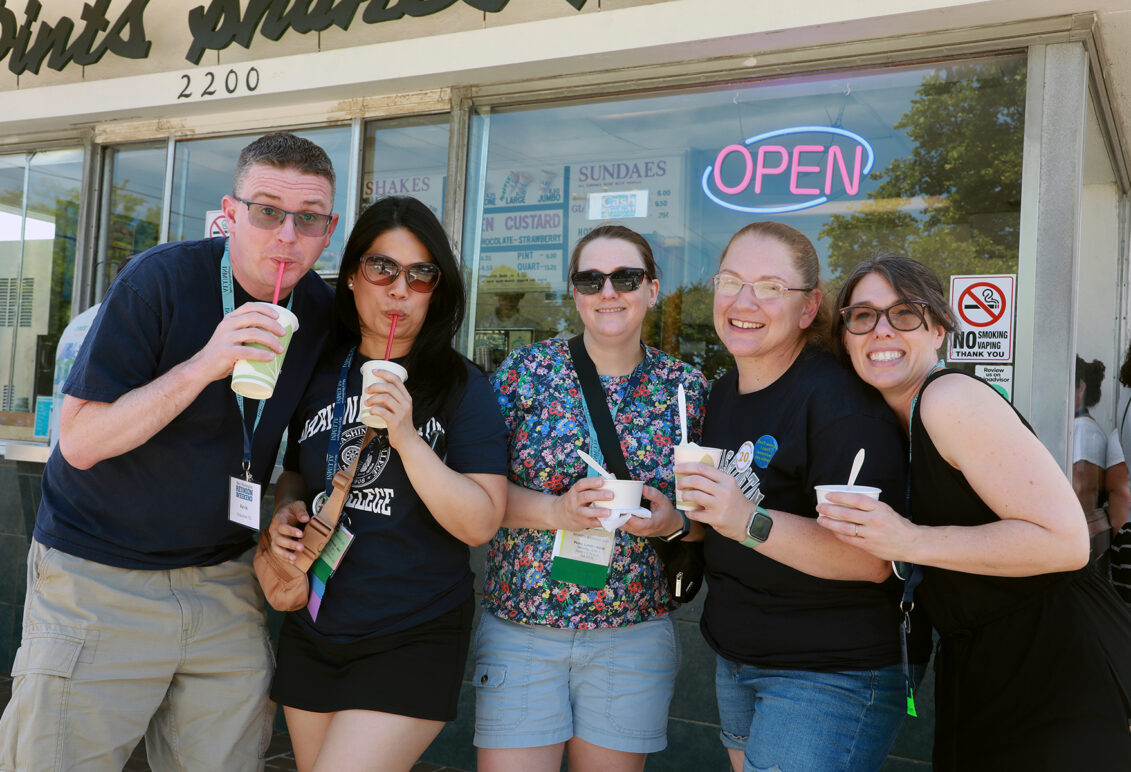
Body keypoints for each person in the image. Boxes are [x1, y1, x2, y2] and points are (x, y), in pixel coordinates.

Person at [0, 132, 339, 770]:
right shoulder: (160, 278)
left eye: (309, 218)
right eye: (267, 210)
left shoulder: (317, 309)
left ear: (330, 229)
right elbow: (79, 441)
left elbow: (301, 449)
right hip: (99, 577)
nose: (287, 235)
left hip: (225, 581)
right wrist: (204, 364)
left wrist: (289, 506)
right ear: (230, 212)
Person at [817, 252, 1131, 769]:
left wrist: (906, 539)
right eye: (863, 316)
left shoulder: (949, 398)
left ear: (939, 328)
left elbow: (1067, 542)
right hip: (986, 659)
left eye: (905, 313)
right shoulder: (896, 421)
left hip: (1057, 657)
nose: (882, 330)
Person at [265, 196, 509, 771]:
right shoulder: (319, 371)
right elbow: (298, 472)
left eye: (420, 274)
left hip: (413, 630)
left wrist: (406, 435)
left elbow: (480, 523)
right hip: (314, 619)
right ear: (352, 276)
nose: (399, 289)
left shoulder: (460, 386)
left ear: (437, 289)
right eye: (382, 268)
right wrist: (286, 511)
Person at [674, 222, 915, 772]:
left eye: (770, 288)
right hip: (736, 654)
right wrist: (673, 519)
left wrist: (745, 521)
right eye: (731, 281)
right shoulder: (724, 390)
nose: (743, 300)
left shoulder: (838, 402)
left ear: (808, 310)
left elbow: (871, 558)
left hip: (826, 671)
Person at [474, 224, 708, 772]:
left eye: (625, 277)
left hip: (631, 635)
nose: (609, 292)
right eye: (591, 278)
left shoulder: (686, 389)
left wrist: (671, 522)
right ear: (574, 293)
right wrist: (555, 511)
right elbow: (474, 494)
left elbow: (705, 521)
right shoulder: (524, 374)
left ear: (653, 289)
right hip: (524, 627)